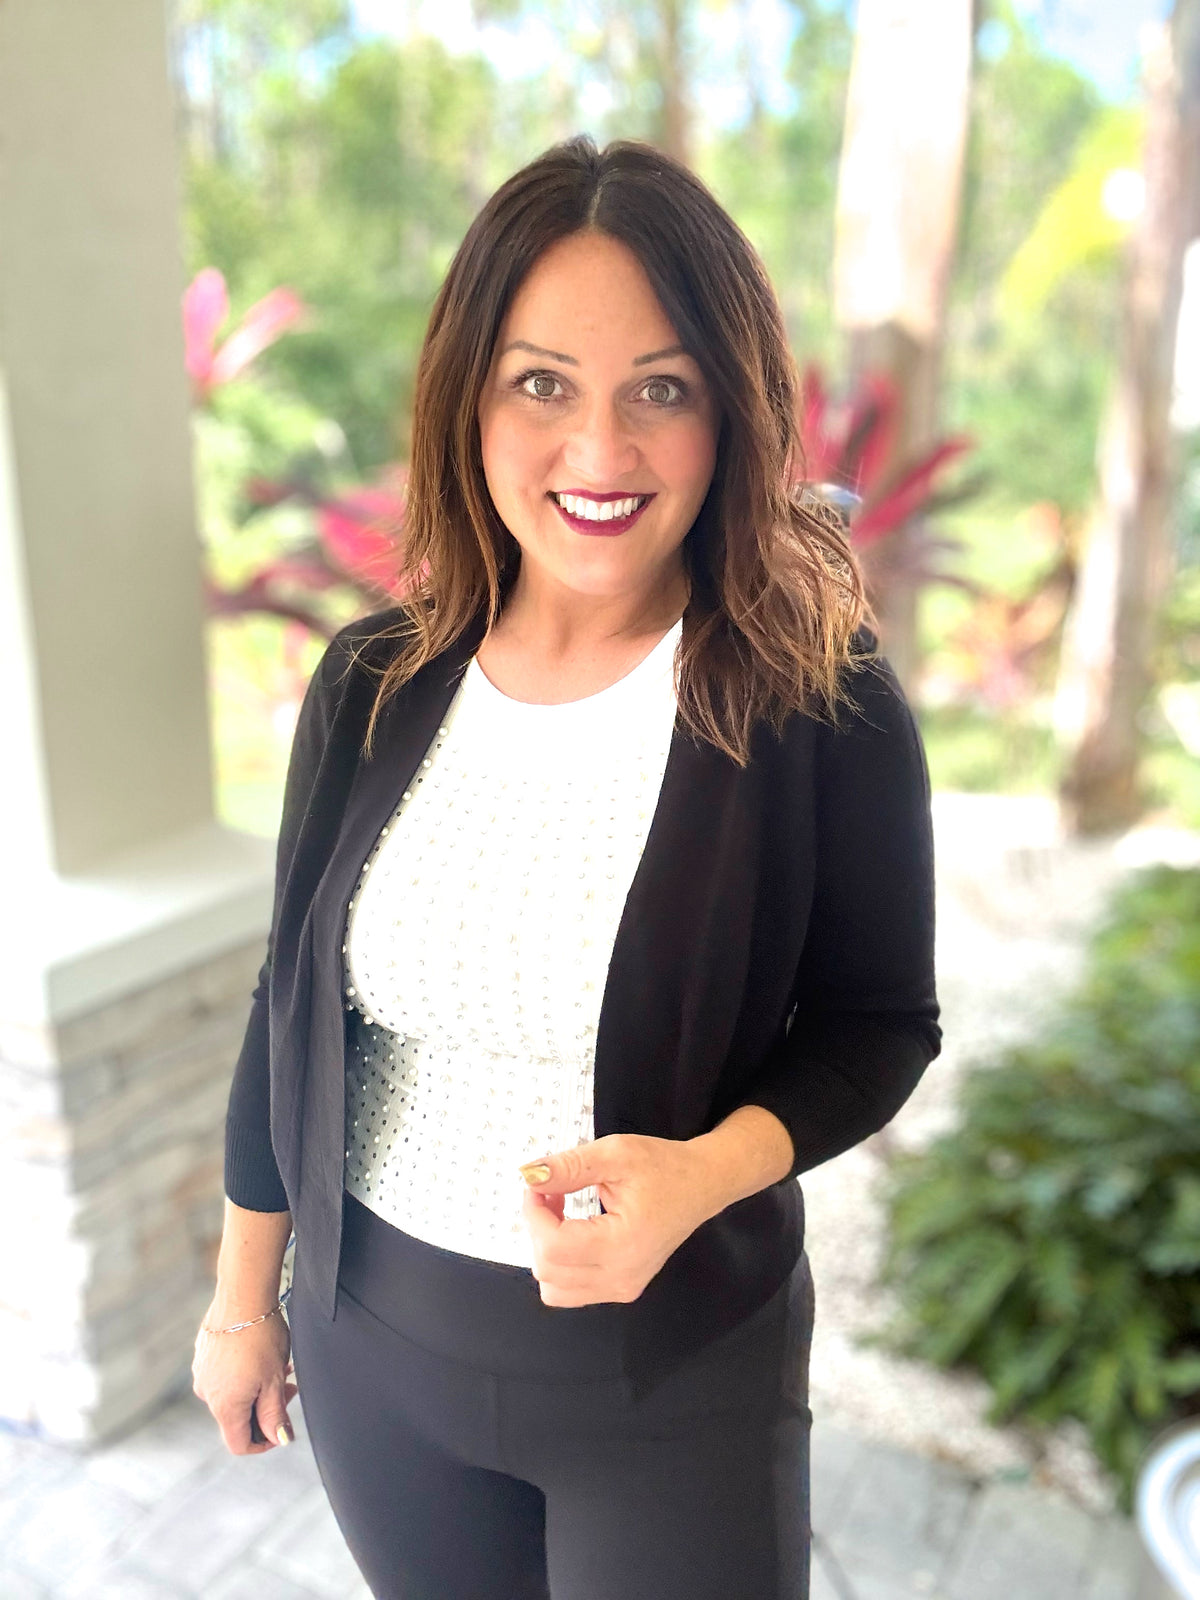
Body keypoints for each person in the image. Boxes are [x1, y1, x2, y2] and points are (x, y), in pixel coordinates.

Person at [192, 134, 940, 1600]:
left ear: (729, 412)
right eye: (544, 383)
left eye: (660, 389)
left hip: (671, 1381)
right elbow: (290, 1004)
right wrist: (242, 1301)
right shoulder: (374, 682)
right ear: (469, 400)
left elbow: (878, 1027)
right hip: (371, 1353)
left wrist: (702, 1176)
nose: (600, 455)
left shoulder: (812, 697)